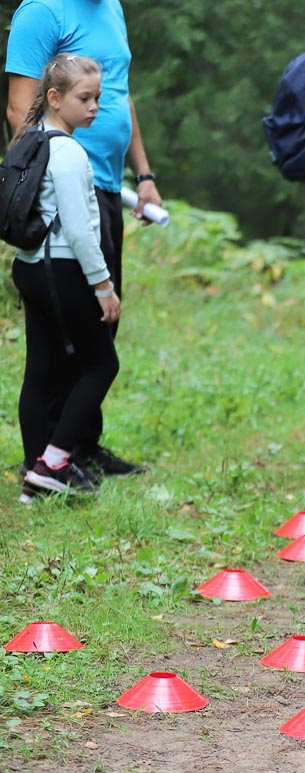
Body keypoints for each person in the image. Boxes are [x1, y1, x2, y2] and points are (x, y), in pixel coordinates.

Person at [6, 0, 161, 479]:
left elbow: (119, 93)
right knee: (73, 335)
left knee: (99, 329)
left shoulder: (111, 8)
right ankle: (54, 457)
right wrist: (44, 179)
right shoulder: (43, 12)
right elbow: (20, 107)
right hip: (72, 183)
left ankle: (78, 446)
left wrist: (144, 171)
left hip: (112, 184)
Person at [12, 55, 120, 501]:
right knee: (101, 364)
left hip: (30, 267)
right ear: (55, 98)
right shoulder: (69, 151)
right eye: (84, 98)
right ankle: (54, 461)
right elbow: (79, 229)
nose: (94, 106)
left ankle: (35, 475)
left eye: (97, 97)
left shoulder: (31, 140)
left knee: (39, 370)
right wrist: (103, 285)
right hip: (65, 270)